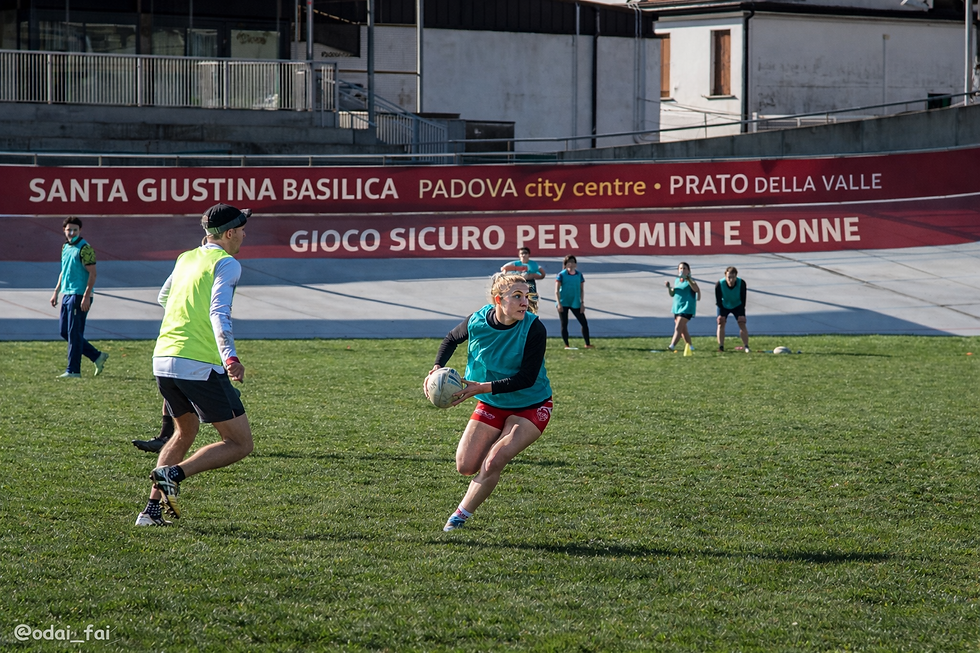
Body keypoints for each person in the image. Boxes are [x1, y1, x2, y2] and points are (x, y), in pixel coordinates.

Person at [136, 203, 254, 526]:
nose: (244, 235)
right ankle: (174, 473)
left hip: (163, 359)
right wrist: (230, 357)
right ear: (229, 234)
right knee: (240, 443)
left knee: (184, 432)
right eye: (242, 230)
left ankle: (151, 512)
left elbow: (163, 297)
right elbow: (219, 312)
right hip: (198, 364)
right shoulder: (227, 263)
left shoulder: (186, 258)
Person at [430, 272, 553, 532]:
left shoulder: (534, 328)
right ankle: (493, 454)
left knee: (494, 460)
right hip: (492, 403)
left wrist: (480, 388)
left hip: (531, 405)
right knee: (466, 466)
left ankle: (458, 517)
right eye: (517, 296)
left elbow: (526, 379)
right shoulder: (477, 321)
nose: (524, 302)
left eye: (526, 296)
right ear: (499, 299)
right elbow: (451, 339)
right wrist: (436, 368)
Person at [49, 217, 108, 378]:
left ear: (80, 230)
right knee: (65, 332)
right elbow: (64, 270)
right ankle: (97, 356)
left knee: (74, 333)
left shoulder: (85, 249)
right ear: (64, 230)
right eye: (69, 230)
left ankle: (73, 370)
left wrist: (86, 296)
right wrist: (56, 291)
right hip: (67, 293)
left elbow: (93, 273)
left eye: (75, 230)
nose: (72, 233)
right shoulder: (65, 247)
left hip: (79, 294)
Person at [555, 254, 594, 350]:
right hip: (563, 302)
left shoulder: (579, 275)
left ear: (576, 264)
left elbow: (581, 290)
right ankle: (567, 345)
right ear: (565, 264)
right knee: (564, 324)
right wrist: (559, 303)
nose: (571, 264)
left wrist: (582, 303)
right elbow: (557, 290)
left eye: (573, 262)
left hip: (575, 302)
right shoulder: (561, 275)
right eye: (569, 262)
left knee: (584, 323)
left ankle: (587, 343)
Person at [665, 261, 700, 352]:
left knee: (678, 327)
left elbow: (696, 289)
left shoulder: (690, 281)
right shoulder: (677, 280)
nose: (682, 270)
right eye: (680, 268)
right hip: (677, 308)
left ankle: (672, 346)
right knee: (683, 330)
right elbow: (672, 293)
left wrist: (688, 279)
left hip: (687, 308)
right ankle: (690, 346)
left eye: (684, 268)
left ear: (688, 271)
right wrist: (669, 287)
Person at [715, 266, 750, 353]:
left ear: (736, 277)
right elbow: (718, 300)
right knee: (721, 323)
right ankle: (721, 346)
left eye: (733, 277)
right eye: (729, 277)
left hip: (737, 304)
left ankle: (746, 346)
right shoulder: (719, 284)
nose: (731, 280)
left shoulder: (741, 283)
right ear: (725, 276)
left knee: (742, 323)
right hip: (724, 304)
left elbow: (743, 299)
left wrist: (742, 313)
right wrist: (721, 314)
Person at [501, 247, 546, 313]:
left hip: (530, 283)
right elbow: (503, 268)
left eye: (525, 253)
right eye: (522, 253)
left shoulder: (533, 264)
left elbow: (542, 274)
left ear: (528, 255)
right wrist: (505, 274)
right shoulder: (515, 264)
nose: (523, 255)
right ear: (519, 255)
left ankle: (532, 313)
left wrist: (533, 275)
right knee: (518, 299)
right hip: (519, 283)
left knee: (532, 300)